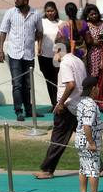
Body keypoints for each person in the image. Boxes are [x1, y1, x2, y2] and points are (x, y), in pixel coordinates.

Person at [36, 41, 87, 179]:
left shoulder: (65, 63)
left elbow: (71, 85)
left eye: (54, 51)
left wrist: (60, 103)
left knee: (58, 139)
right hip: (79, 104)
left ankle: (47, 170)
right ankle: (99, 166)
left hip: (67, 107)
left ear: (59, 49)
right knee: (86, 138)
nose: (54, 55)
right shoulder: (78, 61)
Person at [0, 0, 42, 121]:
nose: (15, 1)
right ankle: (18, 110)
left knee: (28, 85)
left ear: (26, 0)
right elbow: (3, 31)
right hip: (14, 54)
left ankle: (29, 110)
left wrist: (39, 46)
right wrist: (0, 50)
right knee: (17, 84)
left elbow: (39, 31)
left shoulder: (36, 14)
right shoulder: (10, 13)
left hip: (29, 54)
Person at [74, 74, 103, 192]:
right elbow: (87, 125)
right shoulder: (91, 104)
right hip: (88, 141)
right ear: (93, 88)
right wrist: (92, 143)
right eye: (98, 86)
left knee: (83, 167)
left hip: (79, 140)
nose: (99, 89)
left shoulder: (82, 102)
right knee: (94, 168)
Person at [38, 1, 61, 105]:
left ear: (56, 11)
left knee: (57, 80)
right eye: (48, 11)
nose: (50, 13)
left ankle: (59, 103)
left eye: (52, 11)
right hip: (44, 55)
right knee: (49, 80)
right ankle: (53, 103)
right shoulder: (41, 22)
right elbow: (37, 36)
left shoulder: (61, 23)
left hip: (57, 57)